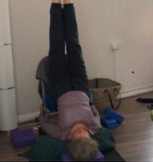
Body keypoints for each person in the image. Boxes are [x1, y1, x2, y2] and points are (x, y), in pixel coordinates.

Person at [38, 0, 101, 160]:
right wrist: (91, 105)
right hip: (80, 84)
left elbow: (46, 125)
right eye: (85, 133)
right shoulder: (95, 127)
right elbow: (95, 113)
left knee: (56, 45)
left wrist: (41, 116)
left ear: (71, 140)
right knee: (74, 44)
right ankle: (68, 3)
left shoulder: (62, 133)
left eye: (77, 133)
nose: (81, 130)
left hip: (61, 86)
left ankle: (55, 4)